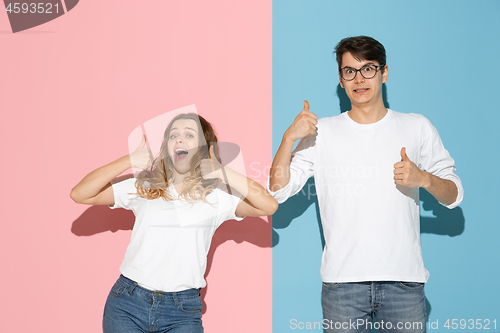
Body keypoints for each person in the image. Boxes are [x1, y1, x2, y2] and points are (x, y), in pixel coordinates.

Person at [268, 36, 463, 333]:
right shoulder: (323, 133)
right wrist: (287, 139)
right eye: (350, 71)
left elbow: (454, 194)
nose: (359, 78)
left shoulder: (416, 126)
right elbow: (278, 190)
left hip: (404, 282)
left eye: (368, 69)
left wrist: (423, 178)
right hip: (342, 284)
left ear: (384, 73)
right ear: (341, 79)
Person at [71, 113, 278, 332]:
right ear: (167, 147)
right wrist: (127, 161)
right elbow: (80, 194)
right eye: (173, 135)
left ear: (204, 148)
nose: (179, 140)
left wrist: (221, 170)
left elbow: (268, 205)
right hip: (127, 304)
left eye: (189, 135)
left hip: (182, 311)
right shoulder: (144, 186)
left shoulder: (216, 196)